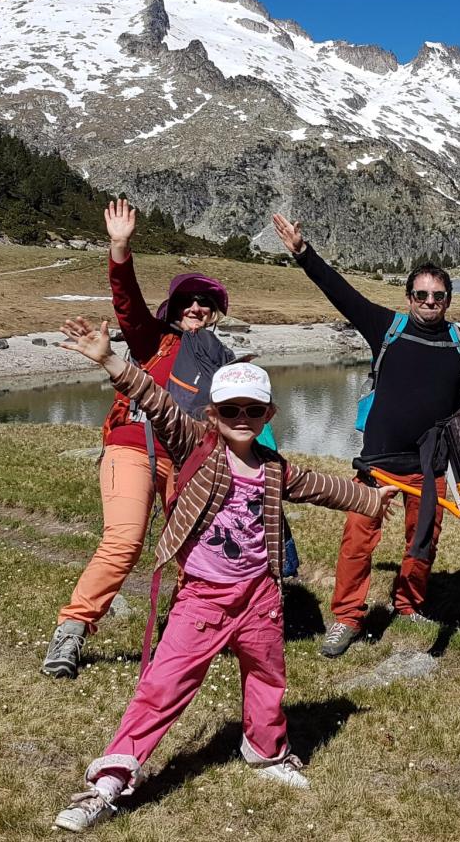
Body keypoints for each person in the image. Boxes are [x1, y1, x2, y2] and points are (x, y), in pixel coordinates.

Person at [51, 317, 398, 833]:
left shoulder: (274, 466)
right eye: (230, 409)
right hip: (203, 599)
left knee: (267, 676)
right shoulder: (196, 442)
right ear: (212, 413)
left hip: (260, 594)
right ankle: (110, 780)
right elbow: (156, 399)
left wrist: (370, 498)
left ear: (267, 414)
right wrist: (108, 360)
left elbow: (321, 487)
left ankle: (266, 751)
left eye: (252, 410)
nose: (241, 417)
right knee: (164, 686)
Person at [42, 200, 239, 679]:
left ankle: (187, 629)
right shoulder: (153, 340)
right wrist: (120, 247)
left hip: (188, 458)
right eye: (188, 300)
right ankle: (72, 630)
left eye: (205, 302)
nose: (196, 307)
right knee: (125, 541)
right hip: (133, 446)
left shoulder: (223, 358)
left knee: (195, 545)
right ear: (174, 308)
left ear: (214, 314)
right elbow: (127, 300)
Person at [272, 213, 460, 658]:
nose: (429, 301)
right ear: (408, 298)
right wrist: (304, 254)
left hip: (430, 466)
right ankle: (346, 618)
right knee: (358, 540)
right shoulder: (387, 327)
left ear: (448, 300)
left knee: (423, 541)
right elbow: (341, 294)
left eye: (437, 296)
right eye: (421, 294)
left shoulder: (459, 341)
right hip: (379, 461)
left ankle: (408, 606)